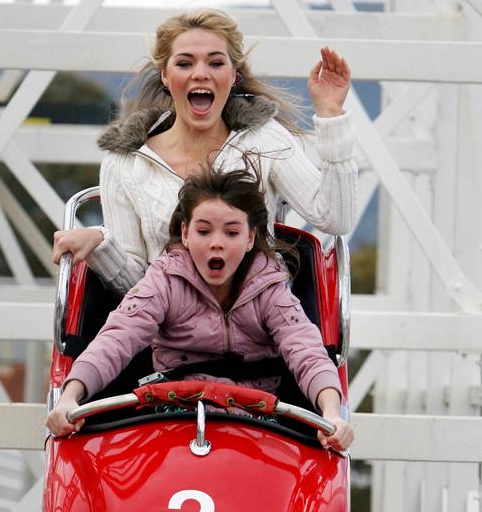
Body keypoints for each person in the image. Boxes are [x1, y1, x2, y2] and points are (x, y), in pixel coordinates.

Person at [52, 9, 357, 297]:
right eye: (184, 64)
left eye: (215, 63)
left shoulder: (264, 139)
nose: (200, 74)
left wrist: (330, 115)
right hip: (170, 333)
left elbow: (335, 218)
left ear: (233, 75)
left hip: (259, 324)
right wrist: (100, 245)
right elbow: (135, 283)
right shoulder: (124, 163)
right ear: (165, 77)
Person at [47, 165, 353, 452]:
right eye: (204, 231)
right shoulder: (165, 279)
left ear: (250, 238)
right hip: (172, 414)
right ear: (185, 234)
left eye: (231, 233)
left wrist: (331, 413)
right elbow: (118, 338)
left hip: (256, 419)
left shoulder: (270, 286)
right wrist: (70, 397)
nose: (216, 244)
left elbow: (306, 350)